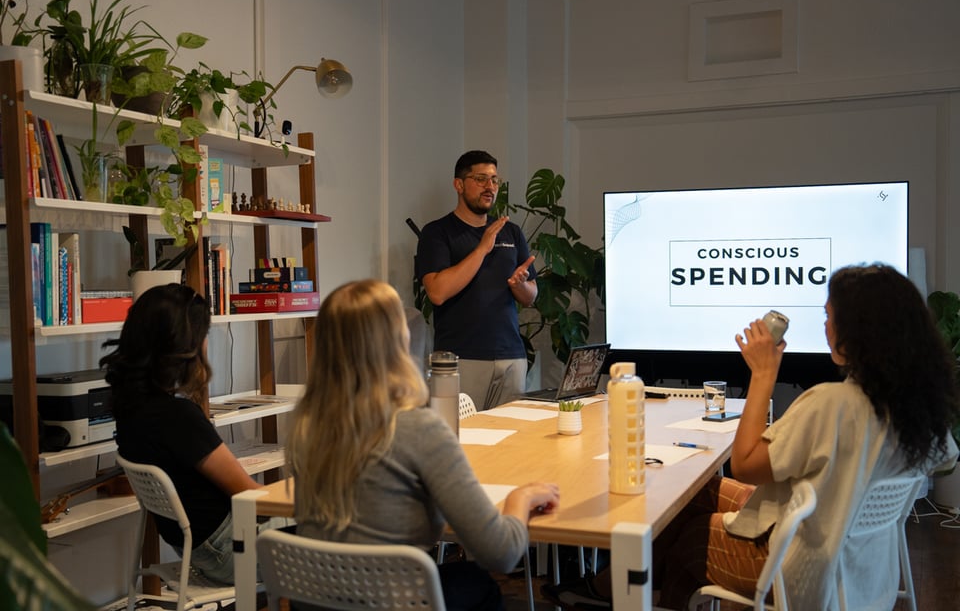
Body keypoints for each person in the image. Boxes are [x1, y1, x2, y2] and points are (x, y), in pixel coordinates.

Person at [545, 264, 959, 610]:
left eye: (830, 317)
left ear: (857, 335)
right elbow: (946, 460)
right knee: (693, 494)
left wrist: (763, 374)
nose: (825, 325)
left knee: (687, 535)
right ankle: (609, 588)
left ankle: (621, 593)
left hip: (801, 563)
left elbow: (744, 464)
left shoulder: (833, 404)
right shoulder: (920, 407)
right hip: (862, 562)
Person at [287, 279, 560, 611]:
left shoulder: (306, 428)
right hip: (389, 600)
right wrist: (522, 497)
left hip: (316, 600)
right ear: (398, 343)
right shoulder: (418, 427)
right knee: (477, 583)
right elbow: (501, 553)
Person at [102, 283, 274, 585]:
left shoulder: (131, 412)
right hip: (232, 553)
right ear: (188, 347)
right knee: (336, 534)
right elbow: (251, 496)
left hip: (197, 552)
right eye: (204, 335)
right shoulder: (178, 417)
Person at [416, 150, 538, 410]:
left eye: (494, 180)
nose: (490, 187)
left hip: (511, 358)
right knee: (461, 442)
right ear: (458, 184)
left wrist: (520, 285)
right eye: (481, 179)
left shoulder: (512, 232)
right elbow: (437, 292)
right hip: (461, 359)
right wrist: (482, 248)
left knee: (509, 443)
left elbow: (531, 297)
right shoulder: (437, 233)